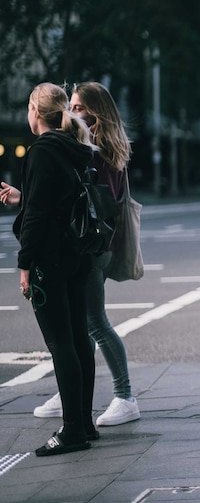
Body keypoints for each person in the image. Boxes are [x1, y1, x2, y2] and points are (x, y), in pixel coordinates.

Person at [28, 82, 141, 426]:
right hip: (97, 243)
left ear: (95, 113)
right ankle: (70, 391)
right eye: (70, 107)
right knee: (82, 324)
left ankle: (124, 396)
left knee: (94, 323)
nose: (71, 113)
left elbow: (85, 199)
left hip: (92, 247)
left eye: (77, 107)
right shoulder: (104, 146)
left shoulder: (95, 149)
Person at [12, 83, 99, 456]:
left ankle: (72, 431)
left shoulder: (42, 151)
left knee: (60, 343)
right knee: (79, 338)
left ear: (36, 110)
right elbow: (52, 200)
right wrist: (23, 196)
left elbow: (38, 216)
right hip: (77, 255)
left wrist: (25, 263)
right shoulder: (73, 148)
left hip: (50, 258)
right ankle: (84, 421)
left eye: (29, 107)